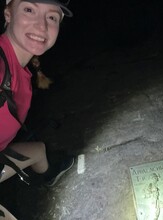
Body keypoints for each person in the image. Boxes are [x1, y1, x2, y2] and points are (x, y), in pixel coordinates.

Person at [0, 0, 74, 218]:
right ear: (8, 14)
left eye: (51, 16)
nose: (42, 26)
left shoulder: (18, 64)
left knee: (39, 150)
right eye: (29, 9)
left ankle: (47, 177)